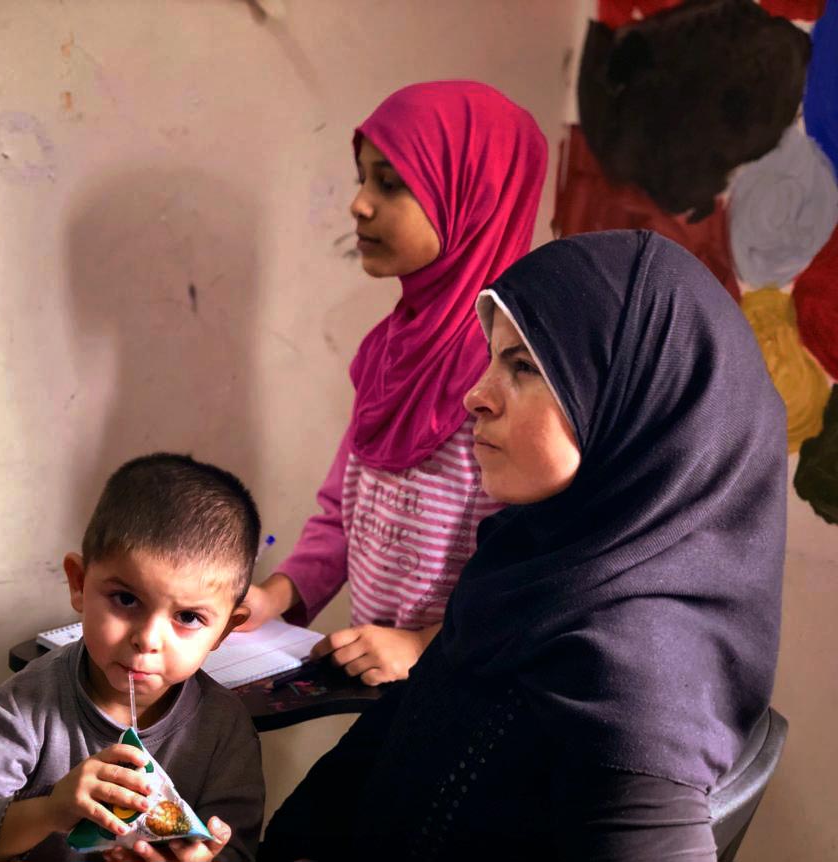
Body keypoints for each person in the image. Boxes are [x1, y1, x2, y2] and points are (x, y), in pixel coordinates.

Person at [258, 230, 786, 860]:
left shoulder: (630, 675)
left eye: (524, 367)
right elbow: (399, 746)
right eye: (492, 359)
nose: (475, 396)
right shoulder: (530, 564)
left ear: (631, 403)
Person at [240, 80, 547, 685]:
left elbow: (534, 558)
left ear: (473, 197)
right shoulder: (390, 350)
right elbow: (344, 510)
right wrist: (275, 596)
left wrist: (426, 643)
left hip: (476, 686)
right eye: (361, 178)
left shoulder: (518, 371)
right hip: (387, 685)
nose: (358, 203)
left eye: (390, 182)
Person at [0, 454, 266, 862]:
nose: (147, 640)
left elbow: (239, 849)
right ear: (79, 584)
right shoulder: (28, 705)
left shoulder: (224, 728)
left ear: (225, 630)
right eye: (126, 599)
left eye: (188, 617)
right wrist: (52, 810)